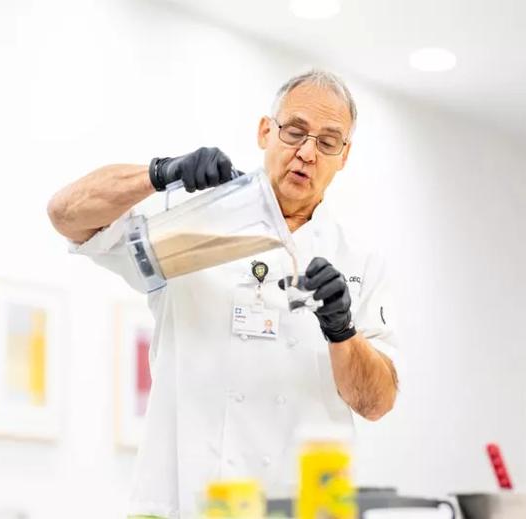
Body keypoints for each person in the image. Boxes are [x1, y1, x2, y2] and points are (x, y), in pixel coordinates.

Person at [47, 69, 400, 519]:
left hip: (304, 509)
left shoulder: (358, 261)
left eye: (328, 142)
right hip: (185, 501)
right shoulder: (191, 222)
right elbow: (66, 215)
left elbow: (376, 403)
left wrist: (341, 330)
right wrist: (160, 174)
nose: (307, 153)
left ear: (344, 156)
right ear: (264, 131)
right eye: (294, 132)